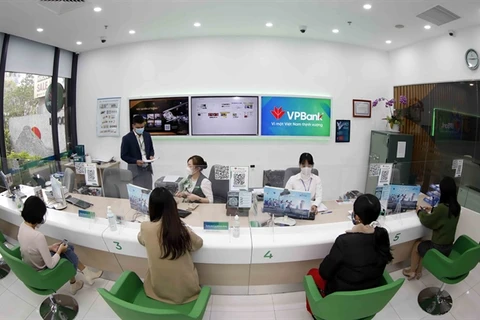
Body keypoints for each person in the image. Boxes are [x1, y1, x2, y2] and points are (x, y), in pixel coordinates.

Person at [305, 194, 393, 314]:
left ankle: (317, 313)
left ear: (357, 217)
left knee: (312, 273)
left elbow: (324, 273)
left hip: (340, 296)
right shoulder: (382, 235)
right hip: (367, 298)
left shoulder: (344, 241)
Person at [18, 196, 103, 295]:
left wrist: (51, 247)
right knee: (67, 251)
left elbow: (32, 248)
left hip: (31, 268)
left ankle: (80, 278)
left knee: (67, 247)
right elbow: (50, 265)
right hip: (42, 272)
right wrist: (59, 251)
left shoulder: (22, 226)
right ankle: (85, 275)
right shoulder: (38, 236)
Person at [138, 187, 203, 304]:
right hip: (185, 292)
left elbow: (141, 239)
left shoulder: (145, 227)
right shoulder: (181, 230)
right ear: (173, 206)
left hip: (158, 290)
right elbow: (198, 244)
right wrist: (187, 229)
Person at [403, 176, 461, 280]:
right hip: (448, 247)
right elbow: (444, 217)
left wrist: (420, 211)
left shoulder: (442, 209)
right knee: (424, 244)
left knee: (417, 245)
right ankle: (419, 272)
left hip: (438, 249)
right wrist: (433, 209)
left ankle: (412, 271)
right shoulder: (456, 207)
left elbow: (426, 221)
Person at [121, 114, 155, 189]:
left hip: (147, 169)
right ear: (133, 126)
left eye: (142, 127)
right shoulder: (127, 138)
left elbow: (151, 149)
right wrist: (135, 161)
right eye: (138, 127)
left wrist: (151, 156)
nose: (140, 129)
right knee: (137, 194)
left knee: (148, 191)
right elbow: (123, 155)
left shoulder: (147, 135)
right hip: (135, 171)